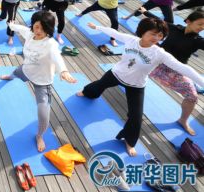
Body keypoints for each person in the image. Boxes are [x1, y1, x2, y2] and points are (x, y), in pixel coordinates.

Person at [77, 18, 204, 156]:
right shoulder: (131, 40)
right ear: (143, 32)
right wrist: (97, 27)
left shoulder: (159, 53)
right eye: (153, 33)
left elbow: (184, 68)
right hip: (116, 74)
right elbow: (113, 32)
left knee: (136, 117)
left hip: (136, 85)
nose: (156, 38)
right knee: (98, 85)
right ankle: (87, 92)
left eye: (160, 35)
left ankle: (129, 141)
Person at [0, 11, 77, 152]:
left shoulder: (50, 44)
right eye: (36, 27)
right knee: (15, 73)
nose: (39, 31)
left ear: (49, 29)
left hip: (42, 82)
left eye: (43, 28)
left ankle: (39, 135)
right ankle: (9, 76)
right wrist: (11, 25)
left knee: (43, 115)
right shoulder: (29, 34)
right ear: (33, 26)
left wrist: (64, 71)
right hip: (26, 70)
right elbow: (20, 28)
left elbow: (57, 57)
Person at [139, 7, 204, 135]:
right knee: (131, 69)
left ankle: (183, 120)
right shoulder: (173, 28)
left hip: (175, 70)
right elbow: (157, 21)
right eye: (200, 24)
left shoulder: (198, 40)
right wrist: (145, 11)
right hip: (156, 63)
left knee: (192, 95)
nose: (202, 27)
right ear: (188, 21)